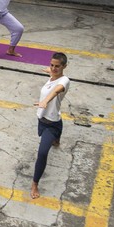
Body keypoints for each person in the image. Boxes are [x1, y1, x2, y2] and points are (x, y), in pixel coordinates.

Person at [32, 53, 70, 199]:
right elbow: (52, 74)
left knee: (42, 153)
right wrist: (48, 70)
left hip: (52, 124)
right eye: (52, 65)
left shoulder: (64, 82)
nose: (54, 68)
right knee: (54, 137)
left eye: (57, 66)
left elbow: (56, 91)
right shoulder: (53, 75)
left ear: (64, 67)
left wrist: (45, 101)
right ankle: (57, 140)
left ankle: (35, 183)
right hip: (42, 120)